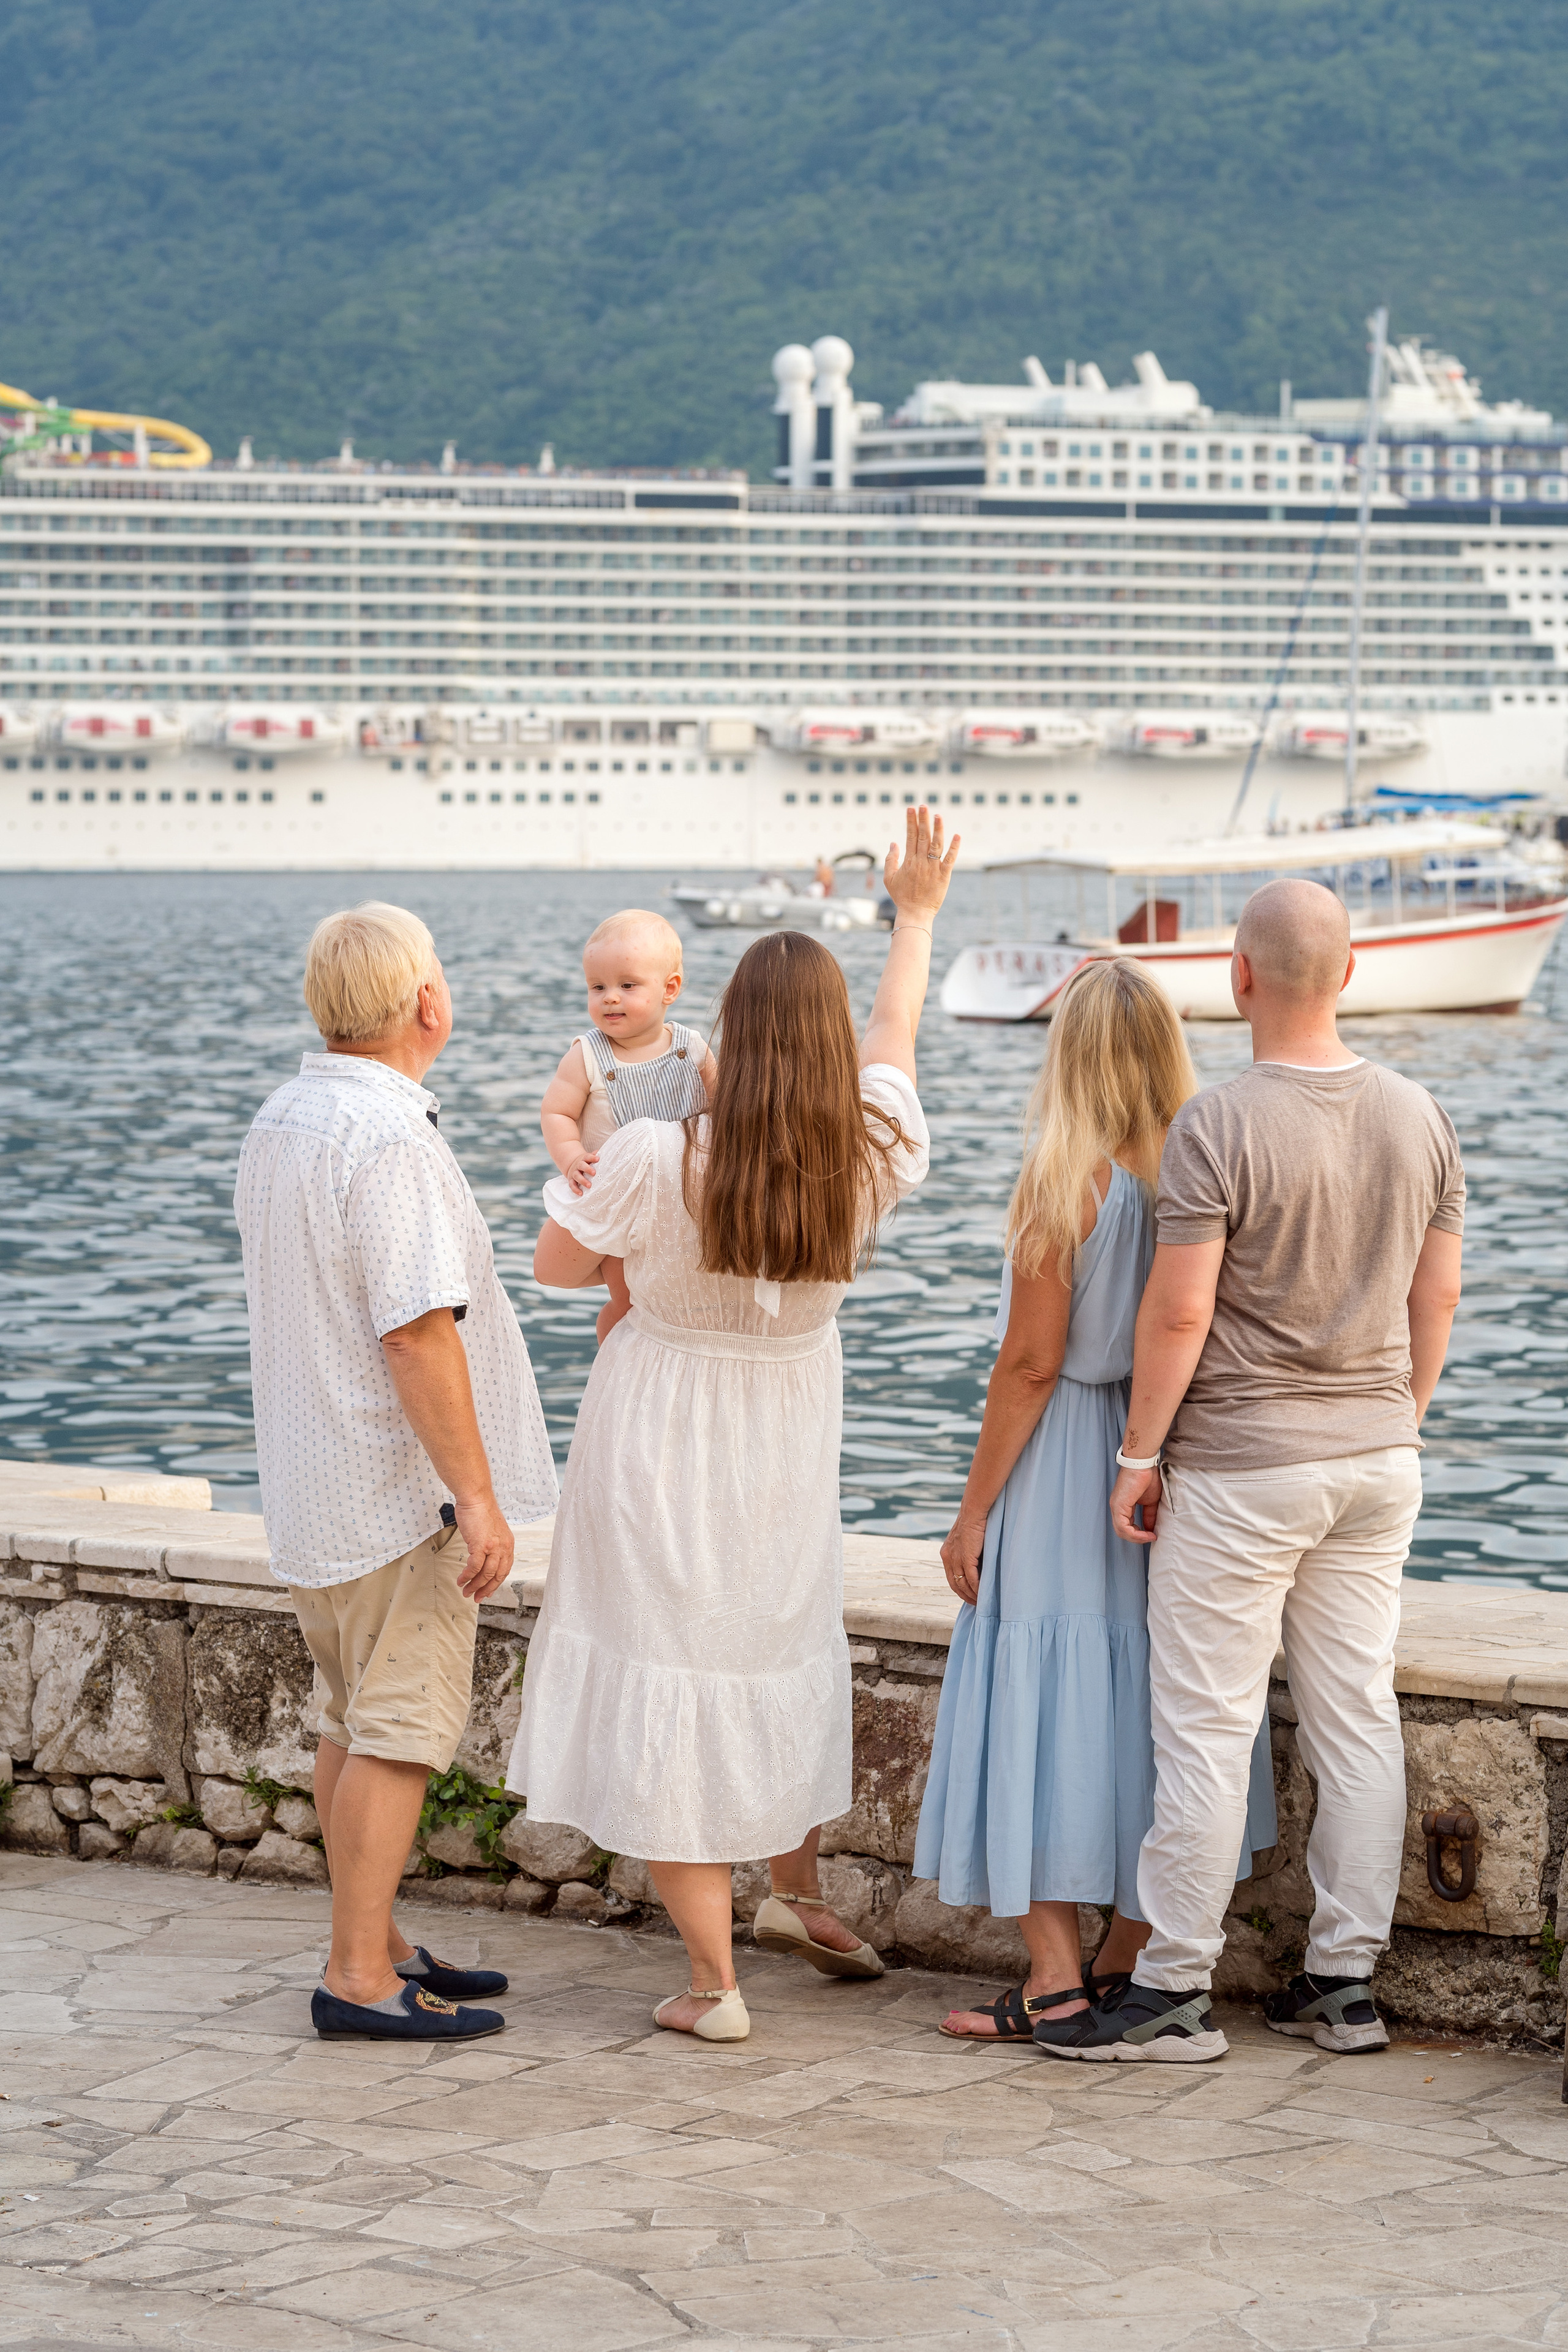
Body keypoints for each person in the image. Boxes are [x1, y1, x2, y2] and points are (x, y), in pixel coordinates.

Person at [509, 807, 958, 2041]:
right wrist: (912, 914)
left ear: (723, 1036)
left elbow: (555, 1267)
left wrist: (585, 1162)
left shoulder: (660, 1152)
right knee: (765, 1646)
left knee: (670, 1663)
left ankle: (712, 1986)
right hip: (786, 1425)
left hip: (660, 1418)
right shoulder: (869, 1149)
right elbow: (895, 1034)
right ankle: (790, 1892)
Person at [1059, 878, 1464, 2065]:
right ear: (1347, 975)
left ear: (1237, 979)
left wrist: (1138, 1455)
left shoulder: (1216, 1125)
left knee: (1203, 1728)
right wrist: (1396, 1415)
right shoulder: (1418, 1114)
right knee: (1355, 1722)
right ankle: (1341, 1983)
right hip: (1374, 1459)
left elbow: (1176, 1315)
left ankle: (1171, 1989)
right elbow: (1432, 1296)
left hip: (1240, 1471)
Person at [914, 960, 1275, 2047]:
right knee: (1152, 1712)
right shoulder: (1199, 1172)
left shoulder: (1062, 1179)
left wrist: (973, 1511)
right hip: (1167, 1454)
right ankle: (1128, 1962)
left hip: (1069, 1455)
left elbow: (1029, 1366)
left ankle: (1056, 1979)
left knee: (1033, 1698)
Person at [234, 902, 558, 2043]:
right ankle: (358, 1975)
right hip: (389, 1492)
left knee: (346, 1721)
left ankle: (376, 1940)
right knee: (397, 1734)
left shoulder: (286, 1117)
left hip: (315, 1485)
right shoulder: (389, 1140)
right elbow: (417, 1332)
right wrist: (475, 1494)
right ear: (429, 1003)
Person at [540, 909, 715, 1346]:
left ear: (669, 989)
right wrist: (571, 1157)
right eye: (597, 988)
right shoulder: (588, 1055)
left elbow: (723, 1107)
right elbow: (556, 1113)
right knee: (629, 1300)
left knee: (681, 1297)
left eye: (627, 986)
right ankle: (616, 1363)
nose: (610, 998)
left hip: (684, 1199)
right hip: (622, 1205)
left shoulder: (690, 1048)